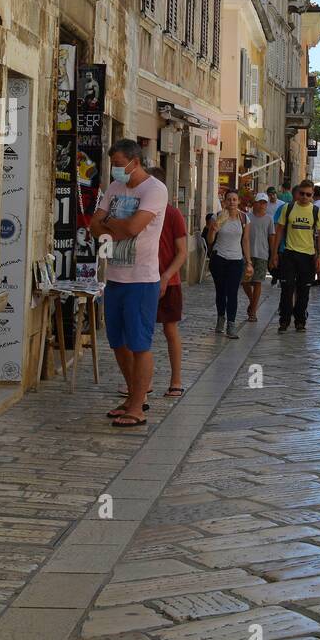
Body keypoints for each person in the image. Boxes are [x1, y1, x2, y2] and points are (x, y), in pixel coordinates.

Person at [91, 140, 167, 428]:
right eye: (114, 164)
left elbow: (135, 227)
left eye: (120, 163)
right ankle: (132, 395)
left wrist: (110, 224)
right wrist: (116, 225)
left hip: (142, 278)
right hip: (115, 276)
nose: (116, 169)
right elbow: (94, 226)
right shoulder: (114, 188)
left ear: (135, 162)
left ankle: (138, 406)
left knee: (139, 342)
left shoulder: (154, 190)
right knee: (118, 342)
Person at [147, 167, 189, 398]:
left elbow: (182, 252)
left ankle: (176, 380)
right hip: (144, 279)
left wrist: (165, 277)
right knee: (143, 332)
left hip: (169, 281)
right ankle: (145, 381)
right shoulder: (141, 212)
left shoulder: (173, 215)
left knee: (170, 329)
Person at [270, 179, 320, 333]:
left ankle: (300, 320)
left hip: (308, 256)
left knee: (304, 291)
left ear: (312, 195)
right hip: (289, 254)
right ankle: (284, 320)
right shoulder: (287, 209)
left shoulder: (316, 212)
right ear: (297, 193)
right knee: (287, 289)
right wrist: (274, 254)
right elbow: (279, 231)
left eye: (308, 194)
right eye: (302, 193)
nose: (305, 197)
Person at [207, 189, 252, 338]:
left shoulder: (244, 219)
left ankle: (231, 325)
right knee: (221, 291)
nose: (232, 202)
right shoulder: (217, 216)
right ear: (225, 202)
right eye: (229, 199)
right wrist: (213, 230)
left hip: (236, 260)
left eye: (234, 199)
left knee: (232, 293)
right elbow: (210, 241)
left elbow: (245, 241)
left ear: (238, 201)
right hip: (219, 258)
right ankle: (221, 317)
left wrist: (249, 261)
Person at [245, 194, 274, 322]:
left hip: (262, 254)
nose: (262, 205)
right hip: (247, 254)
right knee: (244, 281)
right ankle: (252, 302)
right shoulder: (247, 217)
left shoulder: (269, 219)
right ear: (254, 203)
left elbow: (271, 236)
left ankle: (253, 311)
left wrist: (273, 254)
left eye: (264, 203)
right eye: (259, 202)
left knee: (257, 282)